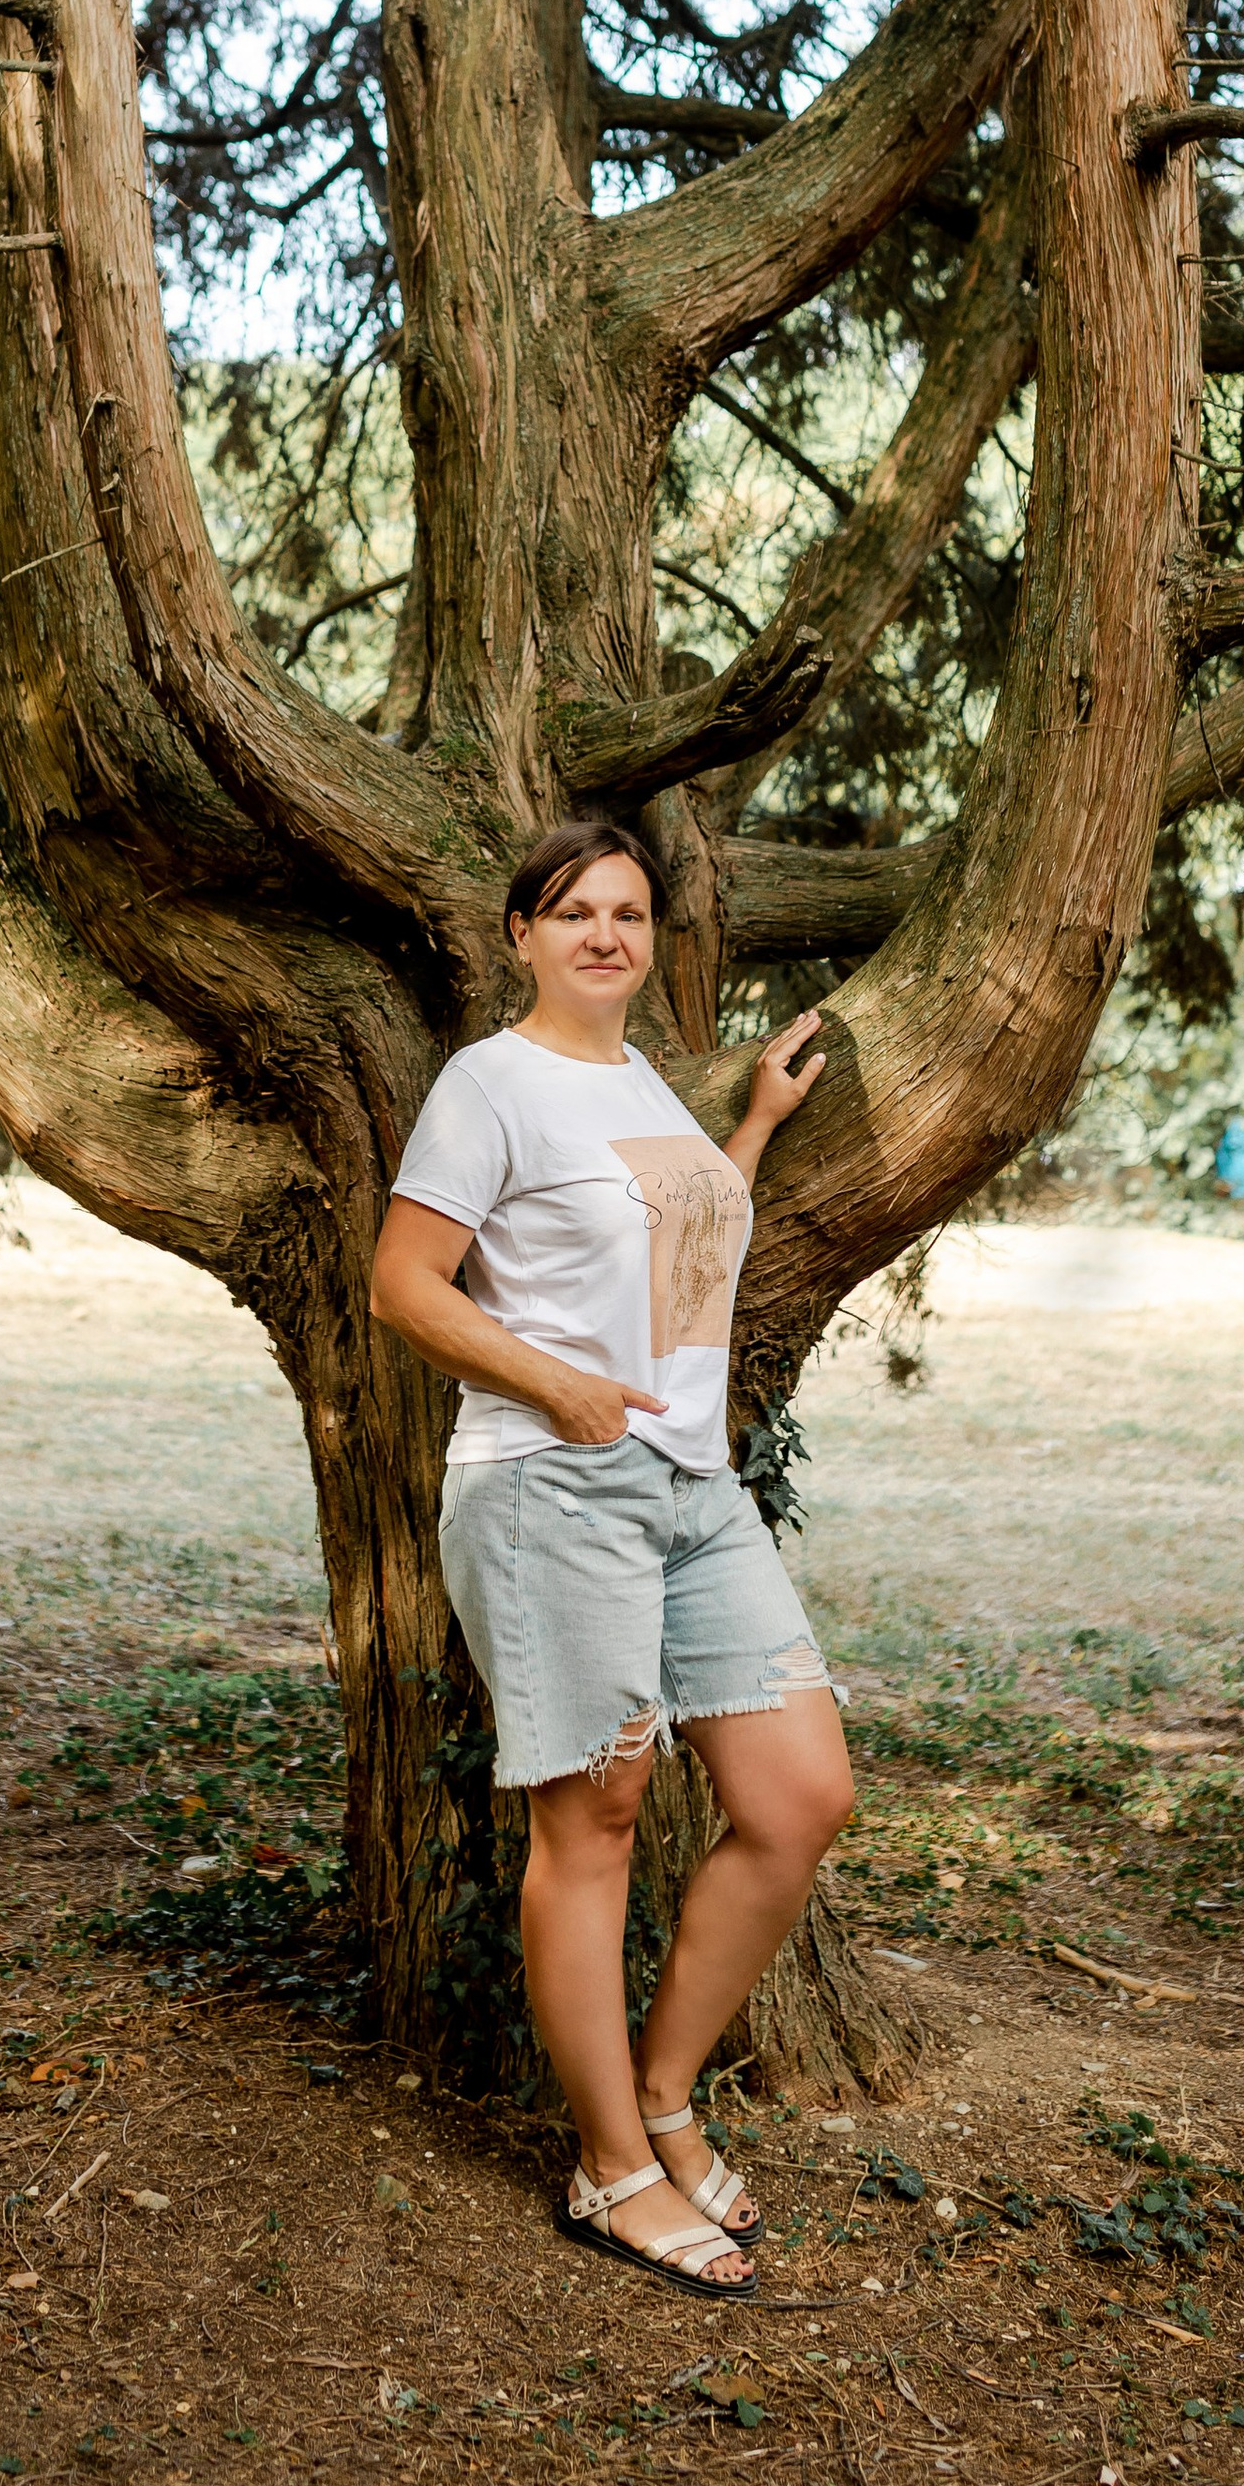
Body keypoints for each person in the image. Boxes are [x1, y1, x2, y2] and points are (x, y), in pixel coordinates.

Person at [369, 816, 853, 2301]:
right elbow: (400, 1283)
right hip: (552, 1489)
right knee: (598, 1823)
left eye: (629, 913)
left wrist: (753, 1131)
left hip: (692, 1489)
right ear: (521, 934)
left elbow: (687, 1254)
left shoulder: (640, 1081)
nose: (603, 933)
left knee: (799, 1796)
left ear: (654, 942)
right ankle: (611, 2167)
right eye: (572, 910)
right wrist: (555, 1385)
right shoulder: (488, 1084)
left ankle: (661, 2094)